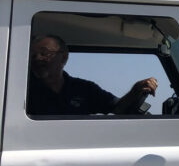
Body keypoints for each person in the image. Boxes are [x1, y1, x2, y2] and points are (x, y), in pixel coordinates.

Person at [27, 34, 158, 116]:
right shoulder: (23, 90)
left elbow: (117, 109)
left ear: (64, 58)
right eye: (33, 55)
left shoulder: (84, 89)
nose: (37, 59)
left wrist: (136, 90)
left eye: (45, 53)